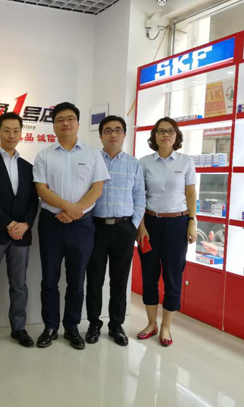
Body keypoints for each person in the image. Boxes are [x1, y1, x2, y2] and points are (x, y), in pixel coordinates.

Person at [33, 102, 110, 350]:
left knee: (77, 280)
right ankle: (50, 326)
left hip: (82, 226)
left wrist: (76, 212)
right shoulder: (44, 155)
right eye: (60, 120)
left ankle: (72, 327)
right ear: (54, 126)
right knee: (49, 279)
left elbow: (97, 188)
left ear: (77, 123)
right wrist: (68, 207)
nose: (65, 123)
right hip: (51, 223)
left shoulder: (92, 154)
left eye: (69, 119)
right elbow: (41, 189)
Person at [0, 112, 39, 352]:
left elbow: (33, 201)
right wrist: (8, 223)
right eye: (7, 130)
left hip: (22, 234)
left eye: (16, 131)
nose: (12, 135)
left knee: (19, 285)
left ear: (21, 133)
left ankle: (18, 328)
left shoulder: (28, 167)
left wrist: (26, 224)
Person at [136, 117, 197, 347]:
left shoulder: (186, 161)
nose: (166, 135)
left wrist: (192, 222)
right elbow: (139, 196)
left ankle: (166, 327)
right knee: (149, 275)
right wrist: (141, 227)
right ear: (154, 136)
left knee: (173, 278)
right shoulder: (144, 163)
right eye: (161, 131)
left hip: (177, 224)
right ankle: (151, 323)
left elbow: (190, 194)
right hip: (150, 223)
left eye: (170, 131)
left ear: (176, 136)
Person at [85, 115, 146, 347]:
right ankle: (93, 324)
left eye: (118, 130)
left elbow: (140, 197)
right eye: (108, 130)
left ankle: (116, 325)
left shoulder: (134, 164)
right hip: (96, 228)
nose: (113, 134)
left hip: (123, 228)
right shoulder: (91, 161)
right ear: (101, 135)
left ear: (124, 135)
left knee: (119, 281)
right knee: (94, 279)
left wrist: (133, 225)